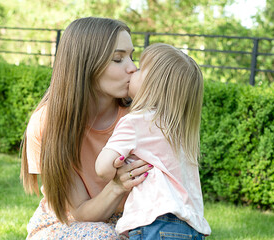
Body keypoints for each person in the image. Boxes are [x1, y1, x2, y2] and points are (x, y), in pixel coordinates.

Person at [20, 17, 153, 239]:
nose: (132, 68)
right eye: (118, 59)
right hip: (66, 221)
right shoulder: (46, 123)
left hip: (132, 219)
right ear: (86, 64)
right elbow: (80, 211)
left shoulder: (140, 116)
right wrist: (117, 186)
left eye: (131, 56)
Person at [95, 43, 212, 239]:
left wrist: (118, 172)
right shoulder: (180, 131)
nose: (133, 70)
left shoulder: (135, 122)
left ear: (152, 87)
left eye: (140, 69)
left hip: (155, 223)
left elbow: (102, 168)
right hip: (192, 228)